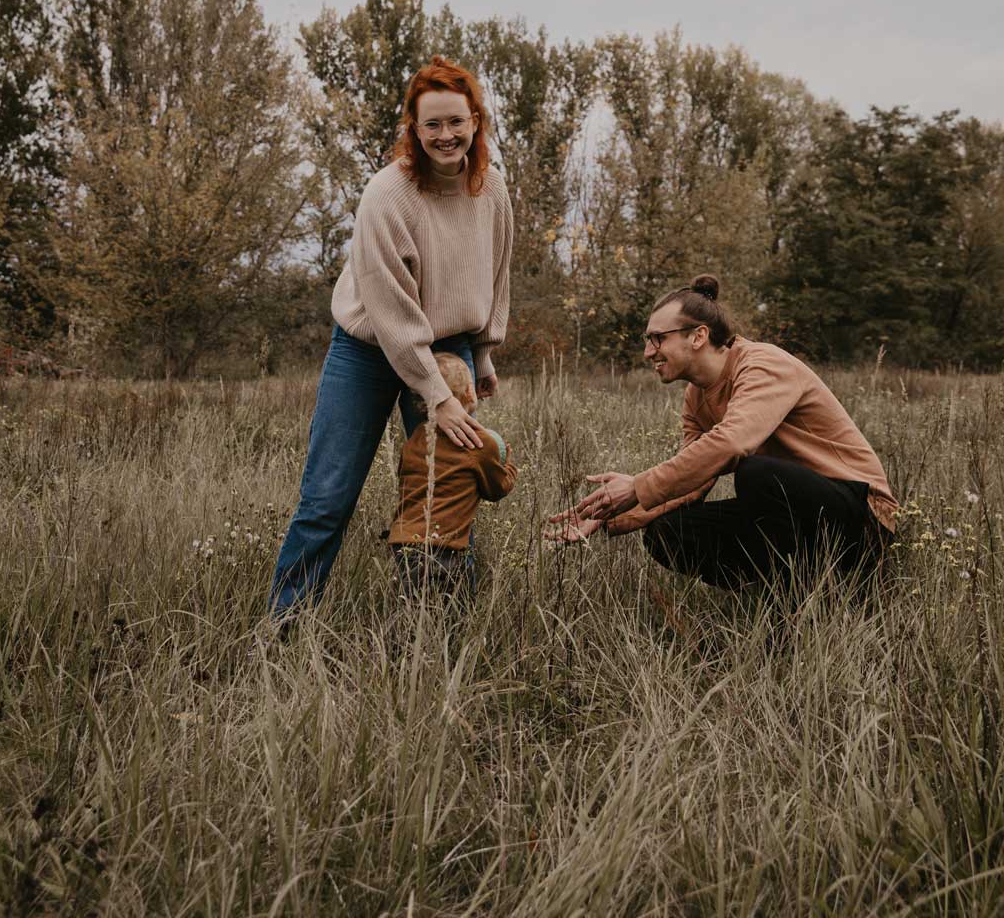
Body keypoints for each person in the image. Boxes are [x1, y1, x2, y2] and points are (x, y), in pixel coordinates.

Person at [269, 56, 514, 620]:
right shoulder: (387, 194)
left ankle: (444, 630)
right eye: (432, 125)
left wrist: (481, 354)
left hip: (447, 348)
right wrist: (439, 396)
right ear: (414, 128)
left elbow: (497, 271)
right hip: (368, 350)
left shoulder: (492, 188)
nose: (445, 135)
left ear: (476, 122)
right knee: (328, 497)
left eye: (456, 122)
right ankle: (283, 626)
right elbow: (391, 312)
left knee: (446, 494)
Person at [547, 275, 898, 591]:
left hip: (863, 519)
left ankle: (838, 588)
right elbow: (693, 482)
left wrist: (638, 485)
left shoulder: (762, 364)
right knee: (668, 533)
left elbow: (733, 442)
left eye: (657, 339)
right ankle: (789, 594)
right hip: (801, 519)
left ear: (698, 336)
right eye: (646, 340)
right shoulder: (696, 396)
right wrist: (610, 515)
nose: (647, 352)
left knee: (756, 474)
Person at [386, 351, 517, 604]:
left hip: (403, 541)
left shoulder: (415, 439)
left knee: (408, 609)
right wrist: (508, 462)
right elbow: (497, 489)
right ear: (470, 392)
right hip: (445, 547)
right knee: (454, 612)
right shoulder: (481, 444)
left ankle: (397, 644)